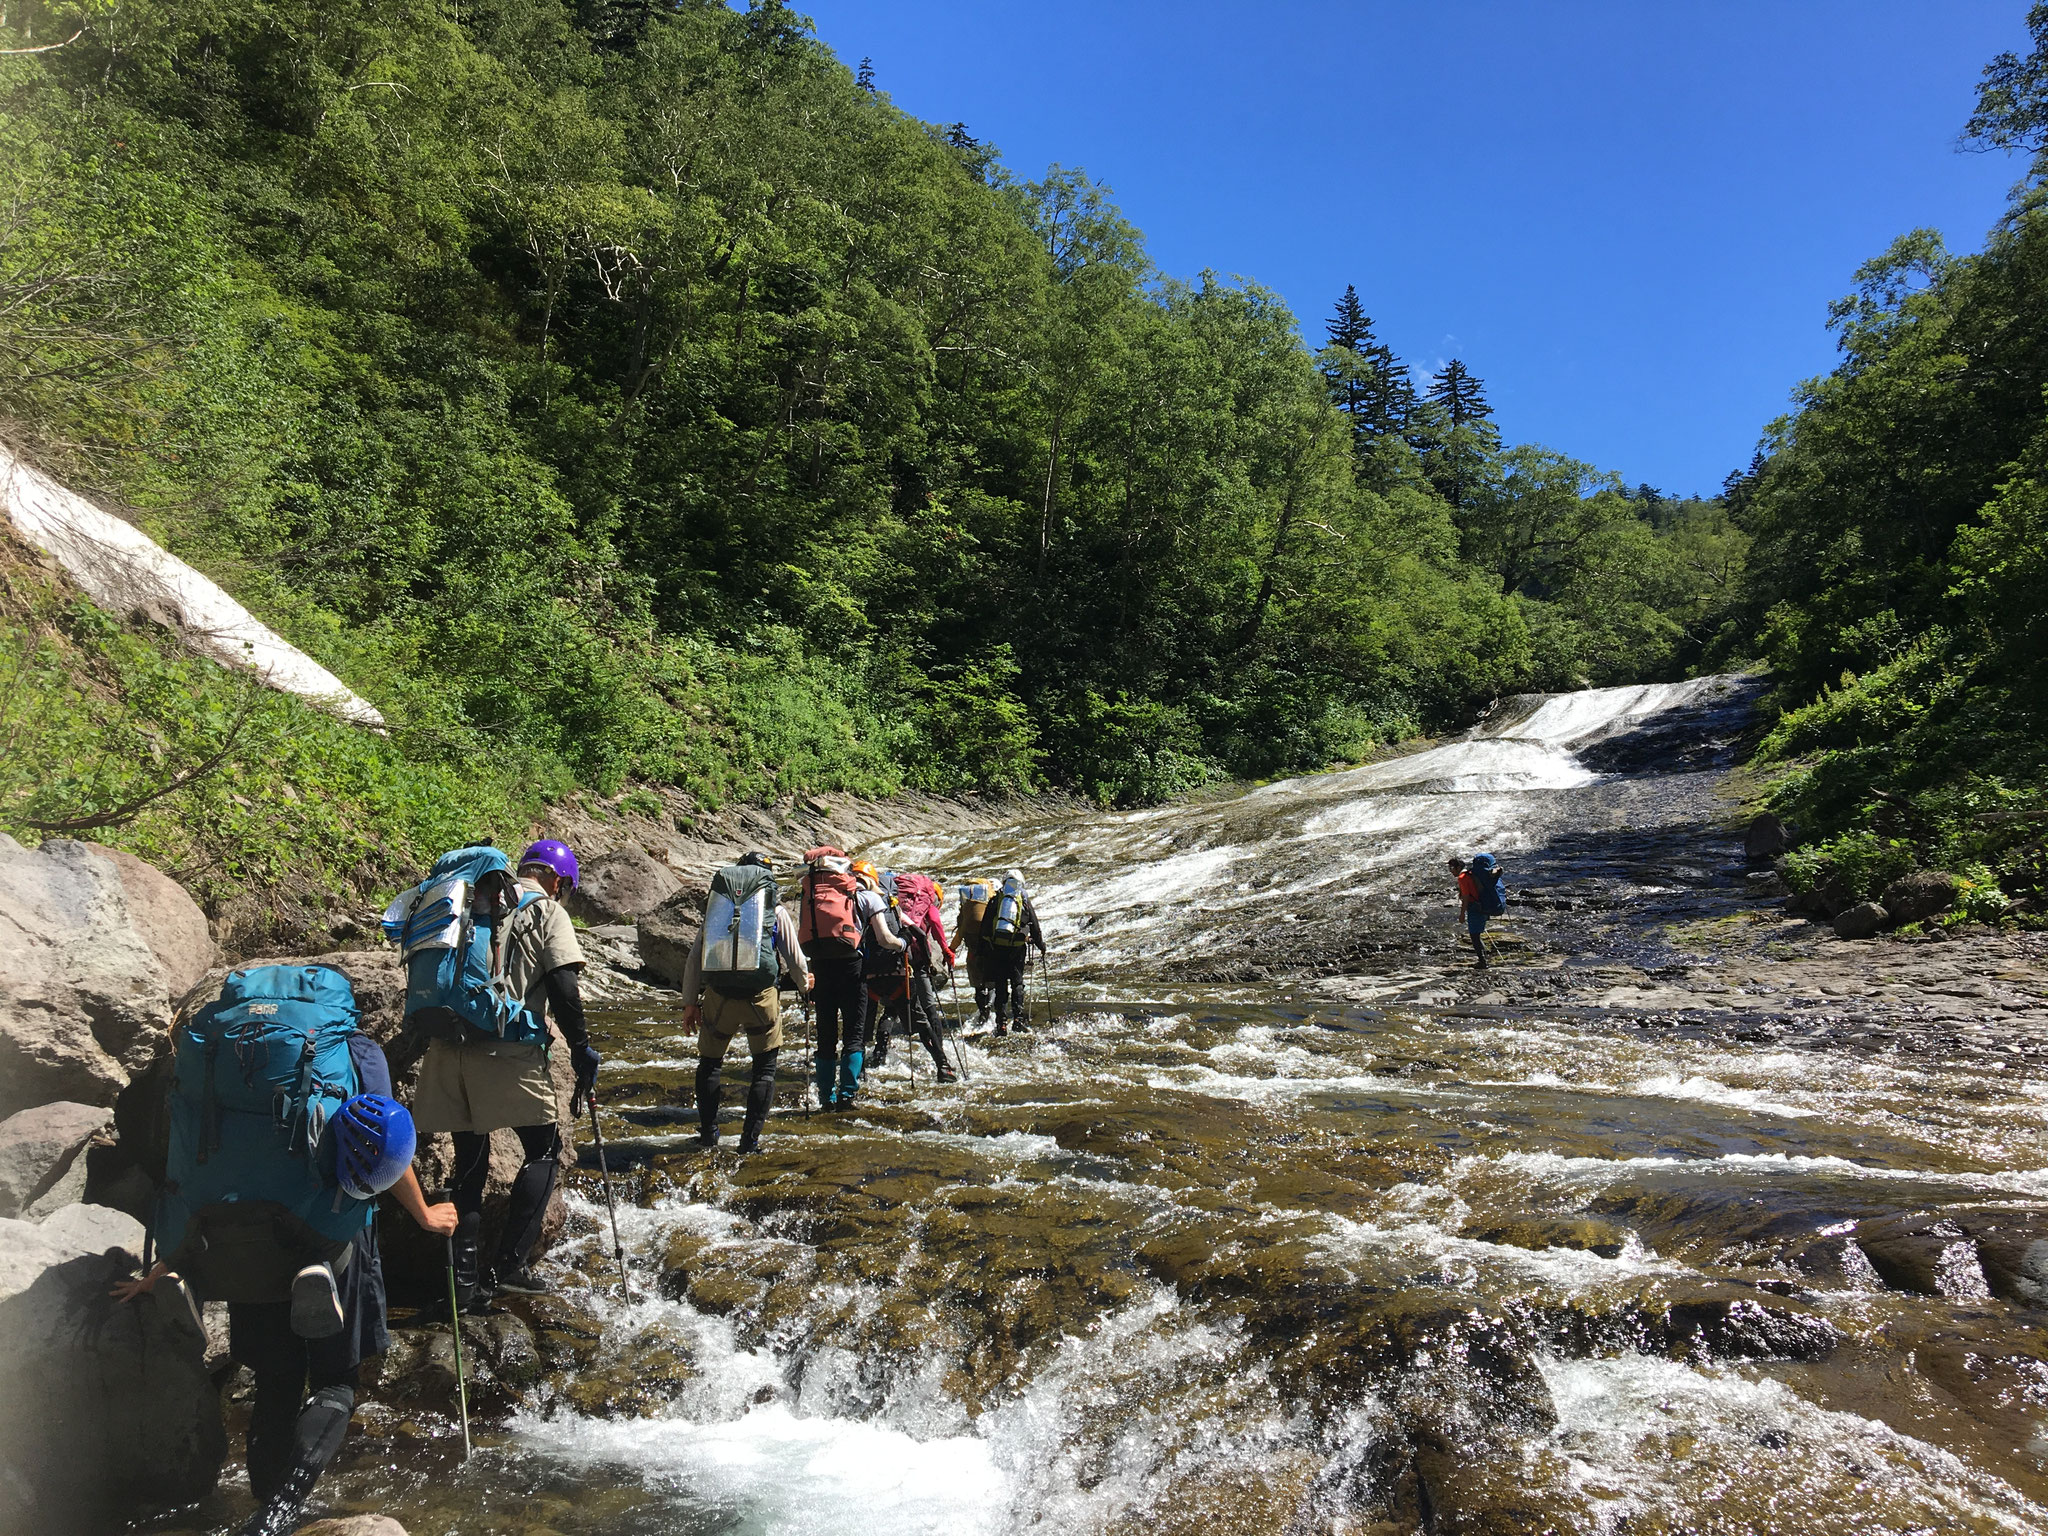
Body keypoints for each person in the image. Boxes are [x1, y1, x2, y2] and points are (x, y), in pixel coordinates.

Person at [114, 1025, 456, 1536]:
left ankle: (260, 1506)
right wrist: (425, 1214)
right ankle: (276, 1517)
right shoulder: (354, 1049)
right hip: (328, 1240)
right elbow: (381, 1141)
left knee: (275, 1379)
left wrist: (168, 1260)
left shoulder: (227, 1055)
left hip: (236, 1235)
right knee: (335, 1383)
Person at [410, 838, 601, 1307]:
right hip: (506, 1052)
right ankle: (509, 1268)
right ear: (558, 881)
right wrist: (581, 1049)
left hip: (445, 1049)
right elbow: (563, 985)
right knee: (544, 1150)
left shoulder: (466, 900)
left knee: (469, 1165)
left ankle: (464, 1285)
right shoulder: (547, 912)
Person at [678, 852, 811, 1151]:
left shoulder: (719, 909)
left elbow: (695, 958)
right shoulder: (773, 910)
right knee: (764, 1068)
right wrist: (805, 987)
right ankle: (749, 1142)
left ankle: (709, 1135)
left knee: (710, 1064)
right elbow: (794, 957)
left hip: (719, 996)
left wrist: (689, 1003)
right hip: (761, 996)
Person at [797, 846, 866, 1110]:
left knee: (825, 1035)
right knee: (854, 1033)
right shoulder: (852, 887)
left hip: (820, 966)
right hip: (851, 966)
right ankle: (847, 1095)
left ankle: (826, 1097)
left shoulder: (808, 888)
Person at [978, 869, 1046, 1037]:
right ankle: (1018, 1020)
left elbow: (984, 927)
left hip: (997, 949)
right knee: (1017, 983)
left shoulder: (996, 900)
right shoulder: (1023, 901)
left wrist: (982, 949)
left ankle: (1001, 1023)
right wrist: (1040, 945)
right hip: (1017, 949)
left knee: (1001, 985)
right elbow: (1035, 927)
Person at [955, 878, 998, 1026]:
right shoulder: (992, 903)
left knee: (978, 986)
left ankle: (982, 1014)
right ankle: (990, 1011)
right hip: (991, 951)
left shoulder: (965, 909)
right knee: (992, 984)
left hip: (973, 953)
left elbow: (959, 934)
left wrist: (950, 951)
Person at [1450, 853, 1498, 968]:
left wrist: (1462, 914)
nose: (1450, 871)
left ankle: (1483, 961)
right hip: (1483, 905)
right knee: (1477, 934)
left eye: (1451, 868)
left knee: (1474, 935)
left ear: (1458, 867)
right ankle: (1486, 958)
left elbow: (1466, 897)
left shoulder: (1462, 878)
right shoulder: (1470, 874)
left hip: (1475, 908)